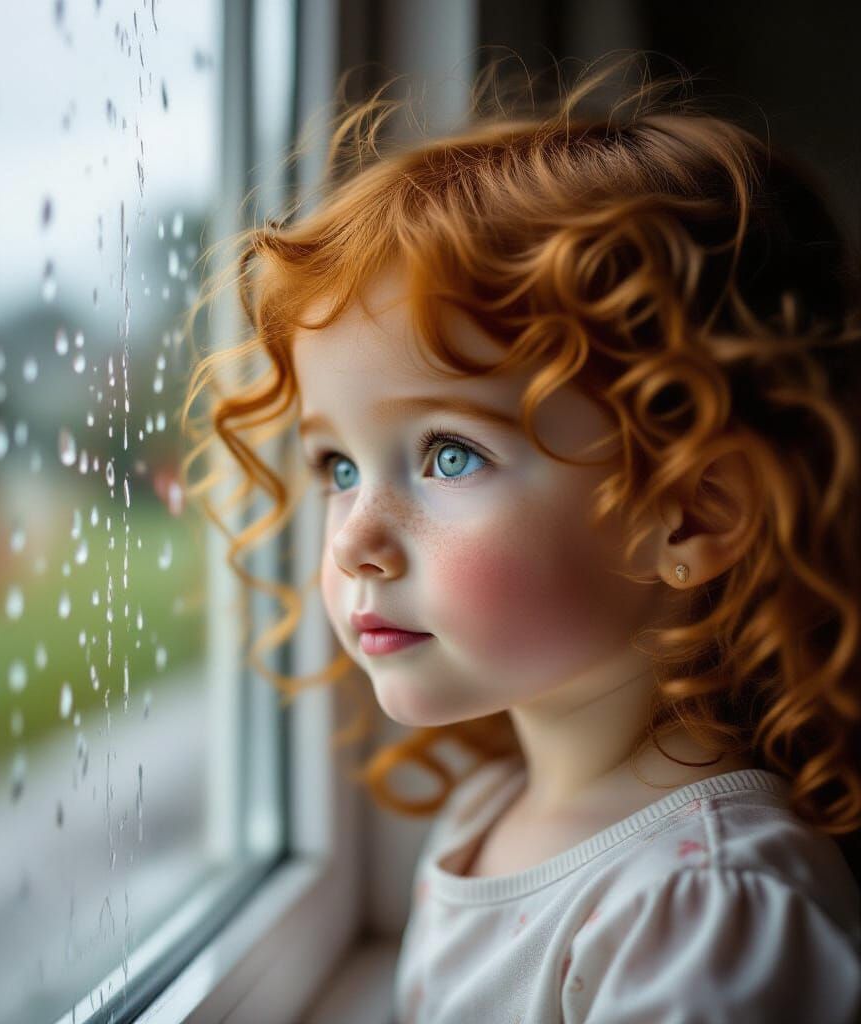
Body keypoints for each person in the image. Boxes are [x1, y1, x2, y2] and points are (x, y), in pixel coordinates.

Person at [177, 52, 861, 1023]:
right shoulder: (486, 816)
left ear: (692, 511)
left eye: (449, 455)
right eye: (336, 467)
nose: (355, 540)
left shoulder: (708, 907)